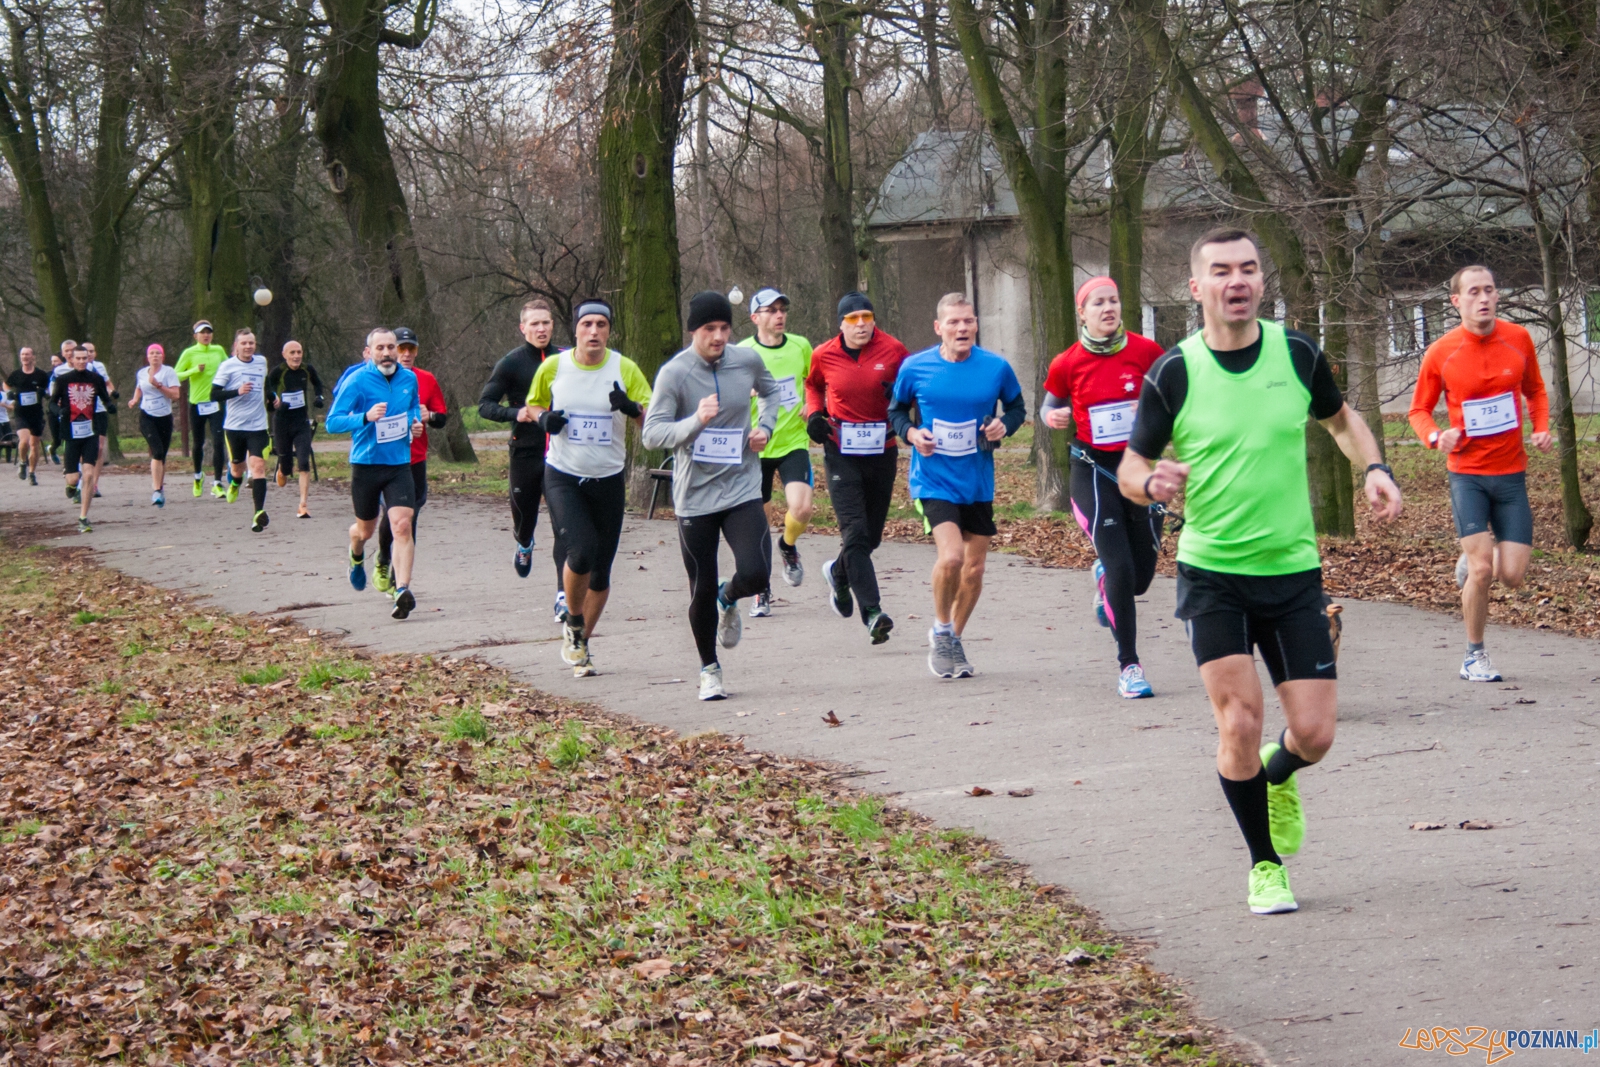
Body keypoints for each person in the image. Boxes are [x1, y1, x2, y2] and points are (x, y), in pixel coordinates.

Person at [1117, 227, 1403, 916]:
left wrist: (1374, 468)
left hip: (1293, 571)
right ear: (1196, 288)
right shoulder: (1175, 372)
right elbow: (1130, 466)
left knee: (1315, 735)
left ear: (1261, 282)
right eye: (1220, 270)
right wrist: (1152, 483)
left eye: (1248, 267)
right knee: (1239, 722)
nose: (1236, 280)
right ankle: (1264, 864)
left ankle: (1280, 774)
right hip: (1213, 572)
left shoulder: (1297, 353)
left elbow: (1341, 420)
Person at [1407, 265, 1551, 683]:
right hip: (1467, 474)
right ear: (1457, 302)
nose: (1483, 297)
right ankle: (1474, 656)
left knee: (1512, 576)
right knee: (1483, 570)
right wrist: (1436, 437)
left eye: (1489, 289)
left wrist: (1540, 427)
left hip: (1511, 475)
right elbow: (1418, 410)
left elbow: (1536, 390)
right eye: (1473, 292)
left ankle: (1471, 561)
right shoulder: (1442, 351)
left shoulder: (1518, 339)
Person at [641, 290, 781, 700]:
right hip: (695, 495)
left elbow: (773, 394)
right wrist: (694, 422)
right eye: (709, 329)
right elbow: (653, 434)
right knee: (699, 586)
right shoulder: (674, 373)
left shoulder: (747, 361)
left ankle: (730, 595)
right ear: (693, 332)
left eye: (724, 328)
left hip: (741, 486)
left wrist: (766, 428)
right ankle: (709, 668)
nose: (718, 336)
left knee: (757, 573)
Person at [1042, 277, 1168, 698]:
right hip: (1092, 468)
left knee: (1140, 580)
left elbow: (1175, 399)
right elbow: (1050, 404)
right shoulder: (1067, 362)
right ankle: (1129, 666)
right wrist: (1051, 417)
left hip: (1138, 469)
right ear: (1083, 312)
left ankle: (1105, 580)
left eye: (1114, 299)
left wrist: (1151, 408)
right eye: (1098, 302)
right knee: (1121, 568)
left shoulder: (1147, 353)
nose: (1108, 308)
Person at [889, 293, 1026, 679]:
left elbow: (1016, 409)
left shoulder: (996, 368)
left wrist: (1005, 426)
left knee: (975, 568)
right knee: (951, 558)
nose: (962, 328)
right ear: (939, 328)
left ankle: (954, 638)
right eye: (954, 322)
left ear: (976, 324)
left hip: (978, 481)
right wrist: (913, 433)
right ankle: (941, 627)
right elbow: (896, 411)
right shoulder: (915, 367)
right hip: (933, 479)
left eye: (968, 321)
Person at [525, 300, 651, 676]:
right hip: (563, 474)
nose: (594, 331)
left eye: (601, 325)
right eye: (587, 325)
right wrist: (544, 417)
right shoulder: (553, 367)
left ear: (609, 331)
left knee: (601, 573)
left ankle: (580, 641)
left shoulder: (624, 368)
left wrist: (631, 409)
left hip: (609, 478)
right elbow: (531, 406)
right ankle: (574, 619)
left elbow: (653, 423)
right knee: (581, 551)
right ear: (576, 330)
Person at [803, 292, 909, 644]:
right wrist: (814, 415)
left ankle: (838, 572)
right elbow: (812, 386)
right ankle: (873, 613)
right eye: (853, 319)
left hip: (882, 451)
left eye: (867, 316)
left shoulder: (894, 350)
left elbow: (913, 388)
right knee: (856, 533)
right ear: (841, 324)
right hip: (841, 451)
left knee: (871, 536)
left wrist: (900, 399)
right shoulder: (824, 354)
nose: (861, 324)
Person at [325, 328, 425, 620]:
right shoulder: (357, 381)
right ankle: (356, 555)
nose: (387, 353)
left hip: (398, 465)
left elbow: (411, 411)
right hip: (366, 466)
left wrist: (414, 425)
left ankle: (402, 589)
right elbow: (332, 423)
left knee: (403, 524)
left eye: (391, 347)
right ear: (369, 351)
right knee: (365, 531)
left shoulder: (409, 378)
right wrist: (365, 418)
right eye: (380, 347)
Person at [479, 297, 566, 614]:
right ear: (523, 328)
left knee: (564, 527)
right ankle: (524, 543)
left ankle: (563, 598)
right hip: (525, 454)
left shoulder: (566, 358)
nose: (541, 328)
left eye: (546, 322)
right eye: (534, 324)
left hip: (561, 455)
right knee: (525, 518)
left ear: (552, 325)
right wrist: (518, 414)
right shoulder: (511, 363)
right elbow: (485, 405)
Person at [743, 288, 815, 618]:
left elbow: (816, 383)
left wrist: (813, 407)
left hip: (792, 443)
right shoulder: (742, 352)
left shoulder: (801, 346)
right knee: (759, 523)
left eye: (782, 309)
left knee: (801, 509)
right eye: (771, 310)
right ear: (755, 317)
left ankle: (788, 546)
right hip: (754, 447)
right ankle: (761, 589)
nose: (779, 315)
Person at [374, 327, 448, 594]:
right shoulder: (375, 379)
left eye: (411, 349)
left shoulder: (426, 379)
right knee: (390, 518)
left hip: (415, 459)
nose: (405, 354)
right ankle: (383, 555)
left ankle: (399, 582)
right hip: (384, 460)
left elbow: (442, 417)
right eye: (400, 348)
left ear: (416, 352)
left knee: (409, 519)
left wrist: (430, 417)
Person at [210, 328, 272, 532]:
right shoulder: (227, 366)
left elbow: (266, 384)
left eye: (251, 343)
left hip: (258, 425)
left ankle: (258, 514)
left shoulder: (262, 362)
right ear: (236, 346)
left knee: (258, 467)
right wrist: (237, 391)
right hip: (234, 426)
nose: (248, 347)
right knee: (238, 467)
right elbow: (214, 395)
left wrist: (272, 396)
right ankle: (235, 482)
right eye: (244, 343)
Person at [50, 345, 112, 533]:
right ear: (71, 359)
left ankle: (83, 517)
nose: (82, 361)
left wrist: (110, 406)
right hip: (71, 433)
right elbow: (51, 403)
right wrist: (59, 411)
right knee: (73, 478)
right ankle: (70, 485)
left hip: (90, 432)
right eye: (78, 358)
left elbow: (104, 396)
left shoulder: (95, 378)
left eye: (85, 358)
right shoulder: (63, 380)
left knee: (88, 475)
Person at [266, 339, 325, 518]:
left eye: (299, 352)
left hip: (301, 423)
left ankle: (303, 505)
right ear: (285, 355)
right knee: (286, 468)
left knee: (304, 462)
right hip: (282, 422)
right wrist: (275, 402)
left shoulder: (307, 369)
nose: (296, 356)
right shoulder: (279, 371)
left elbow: (318, 384)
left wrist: (319, 397)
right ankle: (282, 470)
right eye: (292, 353)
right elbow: (267, 388)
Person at [175, 321, 229, 498]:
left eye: (209, 332)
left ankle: (218, 483)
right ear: (195, 336)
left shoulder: (218, 350)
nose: (206, 335)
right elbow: (175, 374)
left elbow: (229, 369)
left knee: (218, 440)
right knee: (198, 443)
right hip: (197, 403)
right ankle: (198, 476)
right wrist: (193, 370)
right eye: (202, 333)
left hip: (215, 403)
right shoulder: (189, 353)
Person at [129, 344, 181, 506]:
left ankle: (160, 488)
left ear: (162, 356)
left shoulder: (169, 372)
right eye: (152, 353)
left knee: (162, 456)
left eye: (158, 353)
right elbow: (139, 388)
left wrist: (159, 386)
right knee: (157, 451)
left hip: (164, 417)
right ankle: (156, 490)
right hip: (147, 416)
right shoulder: (142, 373)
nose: (155, 356)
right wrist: (135, 399)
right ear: (148, 357)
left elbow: (176, 395)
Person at [7, 346, 52, 485]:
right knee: (24, 441)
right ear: (20, 357)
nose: (25, 357)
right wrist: (9, 394)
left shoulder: (41, 375)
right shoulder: (16, 374)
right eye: (23, 354)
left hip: (36, 414)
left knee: (34, 444)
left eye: (27, 354)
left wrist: (44, 393)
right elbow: (6, 385)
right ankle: (22, 462)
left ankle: (32, 473)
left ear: (32, 356)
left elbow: (49, 390)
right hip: (21, 413)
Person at [44, 351, 64, 463]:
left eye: (56, 361)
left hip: (65, 407)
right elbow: (43, 390)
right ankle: (52, 449)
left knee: (66, 436)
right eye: (52, 361)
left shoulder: (68, 374)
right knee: (57, 439)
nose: (53, 363)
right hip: (52, 408)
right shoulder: (48, 375)